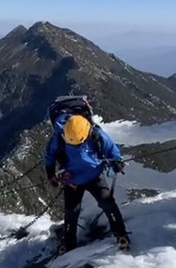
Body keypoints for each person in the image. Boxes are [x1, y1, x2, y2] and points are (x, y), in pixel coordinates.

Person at [44, 96, 130, 253]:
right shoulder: (61, 136)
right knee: (75, 212)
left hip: (79, 178)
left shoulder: (96, 134)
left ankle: (120, 233)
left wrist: (117, 161)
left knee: (106, 204)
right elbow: (49, 158)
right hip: (77, 179)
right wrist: (51, 176)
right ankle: (72, 244)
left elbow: (113, 151)